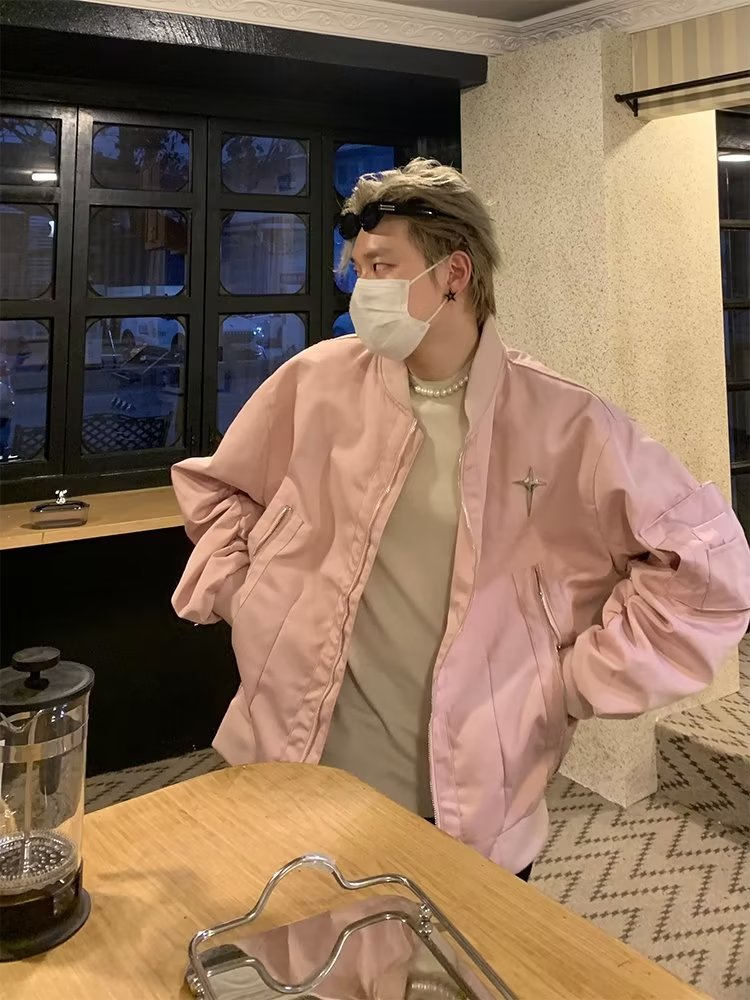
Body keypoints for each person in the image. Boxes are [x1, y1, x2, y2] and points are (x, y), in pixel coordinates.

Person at [172, 159, 750, 881]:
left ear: (454, 273)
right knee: (299, 940)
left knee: (458, 945)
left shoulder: (564, 422)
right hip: (299, 757)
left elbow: (704, 567)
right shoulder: (315, 382)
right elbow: (220, 491)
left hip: (472, 790)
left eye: (382, 266)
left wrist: (568, 683)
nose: (362, 288)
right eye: (358, 268)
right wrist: (248, 597)